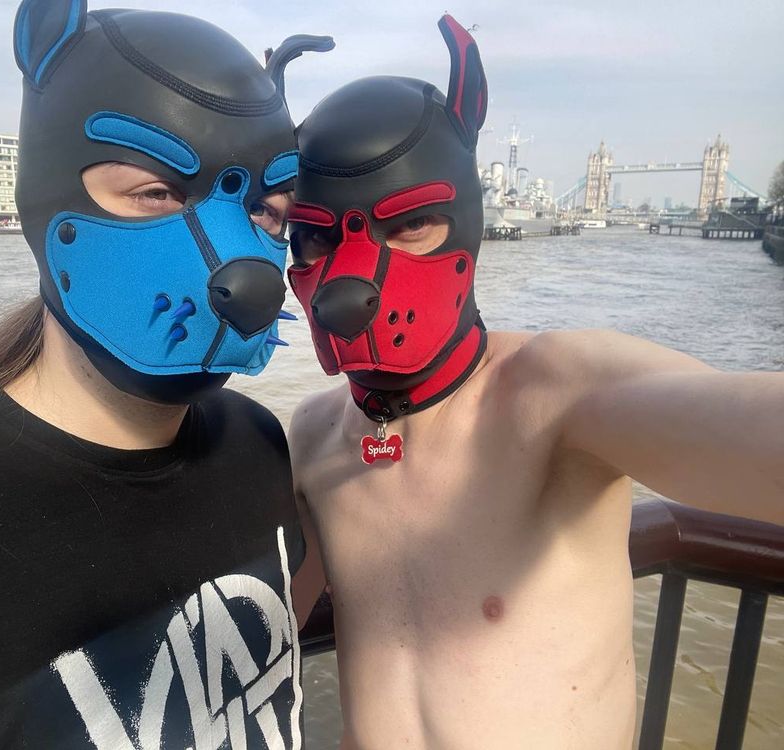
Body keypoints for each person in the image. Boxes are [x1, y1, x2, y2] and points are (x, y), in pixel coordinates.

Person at [0, 2, 330, 747]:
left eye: (266, 210)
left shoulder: (258, 444)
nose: (240, 263)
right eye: (156, 192)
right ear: (48, 194)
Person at [286, 14, 784, 750]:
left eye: (410, 226)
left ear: (464, 223)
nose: (353, 276)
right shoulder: (312, 436)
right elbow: (253, 631)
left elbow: (745, 428)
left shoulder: (553, 396)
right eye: (315, 236)